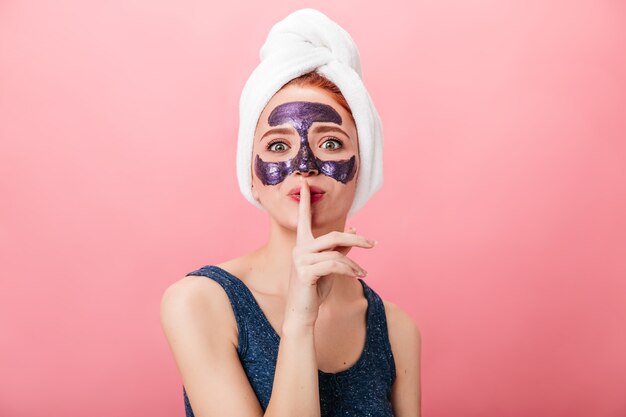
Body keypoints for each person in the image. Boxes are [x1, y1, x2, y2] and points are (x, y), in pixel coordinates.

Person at [160, 8, 421, 417]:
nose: (304, 166)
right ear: (252, 175)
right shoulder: (199, 303)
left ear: (364, 165)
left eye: (331, 143)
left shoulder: (397, 331)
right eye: (278, 146)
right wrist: (300, 321)